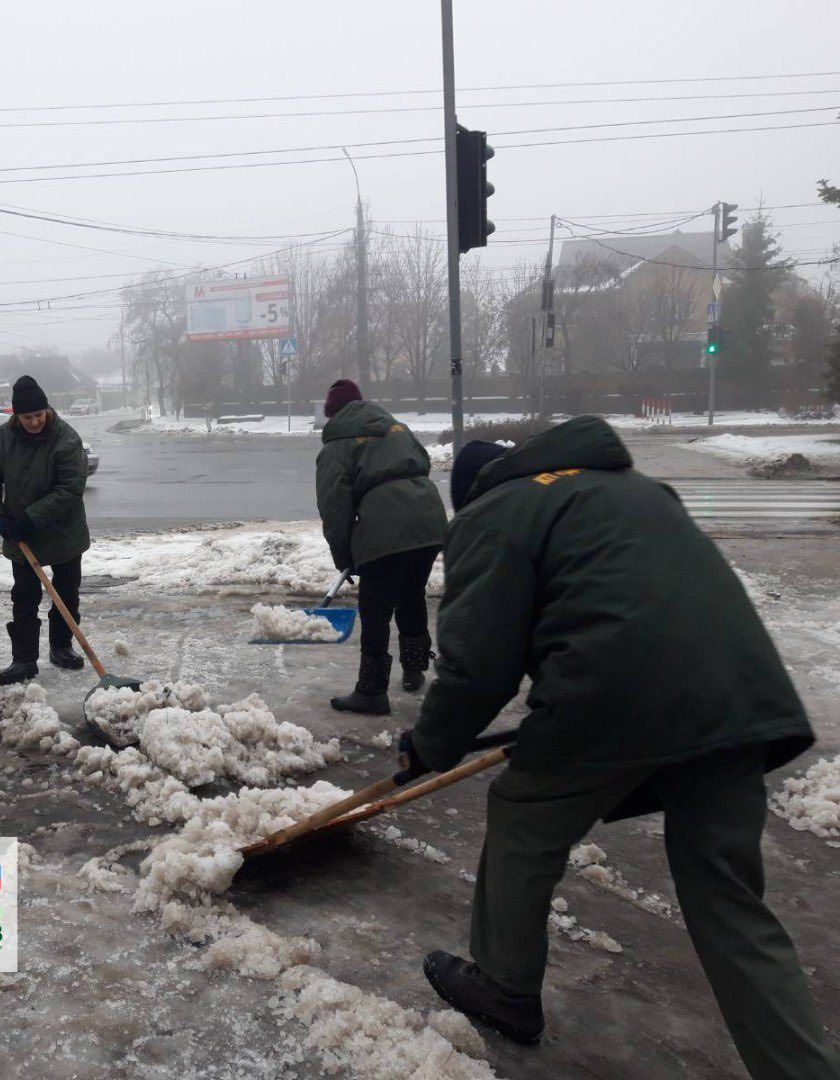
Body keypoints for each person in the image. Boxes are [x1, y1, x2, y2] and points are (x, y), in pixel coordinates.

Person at [396, 416, 838, 1079]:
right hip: (738, 692)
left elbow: (479, 668)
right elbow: (632, 601)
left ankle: (505, 987)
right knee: (727, 896)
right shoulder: (633, 489)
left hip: (620, 689)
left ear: (472, 492)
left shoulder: (495, 512)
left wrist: (429, 745)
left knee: (522, 813)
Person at [315, 379, 448, 714]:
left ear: (334, 414)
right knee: (411, 593)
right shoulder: (396, 427)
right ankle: (414, 669)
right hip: (429, 520)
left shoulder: (337, 446)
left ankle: (372, 691)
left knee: (375, 608)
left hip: (387, 526)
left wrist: (344, 556)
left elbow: (334, 507)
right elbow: (423, 460)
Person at [0, 375, 90, 685]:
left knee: (66, 593)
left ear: (46, 410)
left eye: (39, 414)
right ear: (16, 416)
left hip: (64, 530)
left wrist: (32, 517)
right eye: (27, 417)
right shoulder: (0, 440)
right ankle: (24, 659)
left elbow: (70, 488)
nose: (35, 421)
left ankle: (61, 646)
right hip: (20, 533)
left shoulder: (66, 439)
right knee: (24, 597)